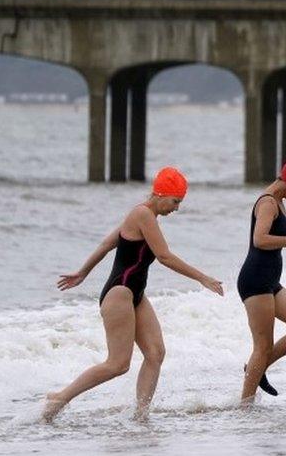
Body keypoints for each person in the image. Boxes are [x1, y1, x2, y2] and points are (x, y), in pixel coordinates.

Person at [42, 166, 223, 422]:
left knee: (156, 352)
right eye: (175, 201)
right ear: (161, 194)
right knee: (118, 364)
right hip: (120, 293)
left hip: (135, 293)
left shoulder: (143, 216)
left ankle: (141, 416)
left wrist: (83, 273)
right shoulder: (142, 214)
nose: (177, 208)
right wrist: (202, 278)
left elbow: (107, 244)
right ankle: (60, 398)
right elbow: (164, 256)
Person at [238, 156, 286, 403]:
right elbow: (259, 239)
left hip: (271, 282)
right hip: (256, 281)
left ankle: (256, 367)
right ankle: (245, 407)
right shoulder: (268, 203)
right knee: (262, 347)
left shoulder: (280, 201)